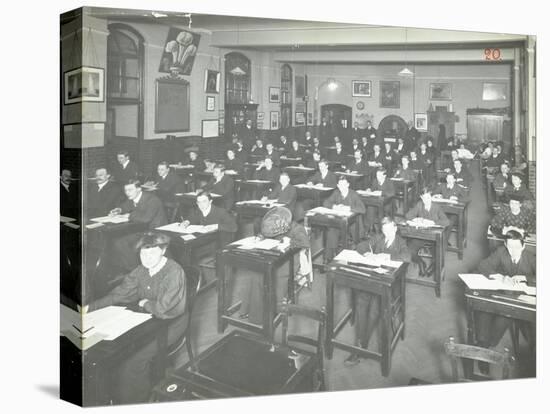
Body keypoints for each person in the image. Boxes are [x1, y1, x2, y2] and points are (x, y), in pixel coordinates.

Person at [84, 232, 187, 404]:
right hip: (147, 321)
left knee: (131, 362)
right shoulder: (140, 270)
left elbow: (162, 309)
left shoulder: (174, 272)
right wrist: (88, 309)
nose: (146, 258)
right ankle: (111, 397)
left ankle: (134, 402)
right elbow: (118, 294)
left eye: (152, 253)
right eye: (142, 253)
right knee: (112, 352)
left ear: (163, 250)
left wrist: (145, 302)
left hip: (171, 324)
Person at [344, 217, 410, 366]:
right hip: (374, 281)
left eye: (389, 229)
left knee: (374, 308)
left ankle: (361, 347)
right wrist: (367, 253)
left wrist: (387, 256)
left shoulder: (400, 243)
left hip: (390, 285)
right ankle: (360, 341)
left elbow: (407, 257)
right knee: (361, 301)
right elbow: (361, 246)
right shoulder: (379, 238)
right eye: (383, 229)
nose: (386, 232)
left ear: (395, 228)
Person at [239, 207, 311, 321]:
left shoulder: (297, 228)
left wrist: (290, 242)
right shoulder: (273, 224)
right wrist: (259, 237)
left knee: (271, 276)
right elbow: (265, 232)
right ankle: (249, 309)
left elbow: (305, 243)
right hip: (273, 257)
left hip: (290, 260)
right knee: (255, 273)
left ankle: (267, 313)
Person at [475, 230, 535, 352]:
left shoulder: (530, 258)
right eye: (510, 247)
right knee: (483, 308)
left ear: (523, 246)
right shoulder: (501, 251)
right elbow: (483, 265)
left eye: (517, 247)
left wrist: (525, 278)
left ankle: (488, 346)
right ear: (506, 245)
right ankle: (482, 344)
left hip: (517, 300)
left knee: (504, 315)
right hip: (500, 292)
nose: (513, 251)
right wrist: (501, 277)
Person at [110, 180, 168, 272]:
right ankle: (133, 268)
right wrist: (119, 210)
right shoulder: (134, 197)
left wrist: (129, 215)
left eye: (130, 190)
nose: (127, 193)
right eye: (125, 190)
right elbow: (125, 206)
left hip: (155, 232)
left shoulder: (152, 200)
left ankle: (137, 270)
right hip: (142, 230)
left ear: (139, 189)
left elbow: (146, 219)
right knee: (117, 242)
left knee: (122, 243)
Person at [405, 187, 450, 277]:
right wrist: (416, 218)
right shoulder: (419, 205)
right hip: (421, 235)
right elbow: (408, 215)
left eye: (429, 198)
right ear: (421, 197)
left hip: (435, 237)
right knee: (408, 250)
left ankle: (434, 267)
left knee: (438, 252)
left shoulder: (436, 207)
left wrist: (434, 222)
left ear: (431, 197)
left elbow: (446, 222)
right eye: (424, 198)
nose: (427, 200)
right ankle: (421, 263)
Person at [322, 176, 366, 263]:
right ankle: (328, 257)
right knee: (331, 230)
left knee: (354, 240)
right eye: (340, 185)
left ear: (348, 185)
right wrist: (334, 206)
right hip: (340, 221)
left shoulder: (353, 194)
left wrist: (349, 208)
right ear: (338, 185)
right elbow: (325, 202)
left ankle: (346, 258)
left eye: (344, 185)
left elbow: (362, 209)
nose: (342, 187)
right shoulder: (336, 192)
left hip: (353, 224)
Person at [364, 168, 395, 234]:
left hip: (387, 204)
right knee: (370, 207)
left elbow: (392, 193)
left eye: (379, 175)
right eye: (377, 175)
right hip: (376, 202)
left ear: (384, 176)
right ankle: (370, 227)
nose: (378, 177)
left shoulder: (389, 181)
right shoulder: (375, 181)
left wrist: (381, 193)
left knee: (380, 209)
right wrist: (369, 190)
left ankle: (380, 229)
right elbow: (372, 189)